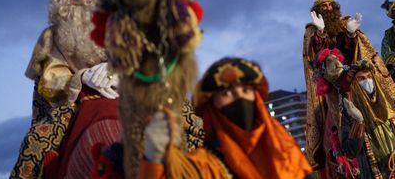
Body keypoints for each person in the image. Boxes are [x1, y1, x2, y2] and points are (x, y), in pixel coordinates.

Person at [94, 57, 313, 178]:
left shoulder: (285, 151)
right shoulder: (206, 165)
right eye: (226, 93)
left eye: (245, 90)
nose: (239, 98)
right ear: (213, 108)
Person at [10, 0, 118, 179]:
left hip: (126, 88)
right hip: (77, 100)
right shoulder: (51, 37)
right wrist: (82, 77)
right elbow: (50, 81)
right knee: (37, 142)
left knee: (184, 117)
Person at [302, 0, 395, 175]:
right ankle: (340, 154)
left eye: (330, 4)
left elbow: (354, 52)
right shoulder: (312, 31)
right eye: (323, 6)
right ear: (317, 10)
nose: (327, 8)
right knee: (331, 115)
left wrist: (350, 34)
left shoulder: (343, 23)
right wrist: (321, 32)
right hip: (333, 83)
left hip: (355, 72)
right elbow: (315, 58)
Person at [340, 60, 395, 179]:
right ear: (354, 83)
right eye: (361, 79)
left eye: (369, 77)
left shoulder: (393, 105)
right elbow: (350, 151)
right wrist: (358, 122)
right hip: (374, 173)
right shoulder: (350, 113)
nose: (367, 81)